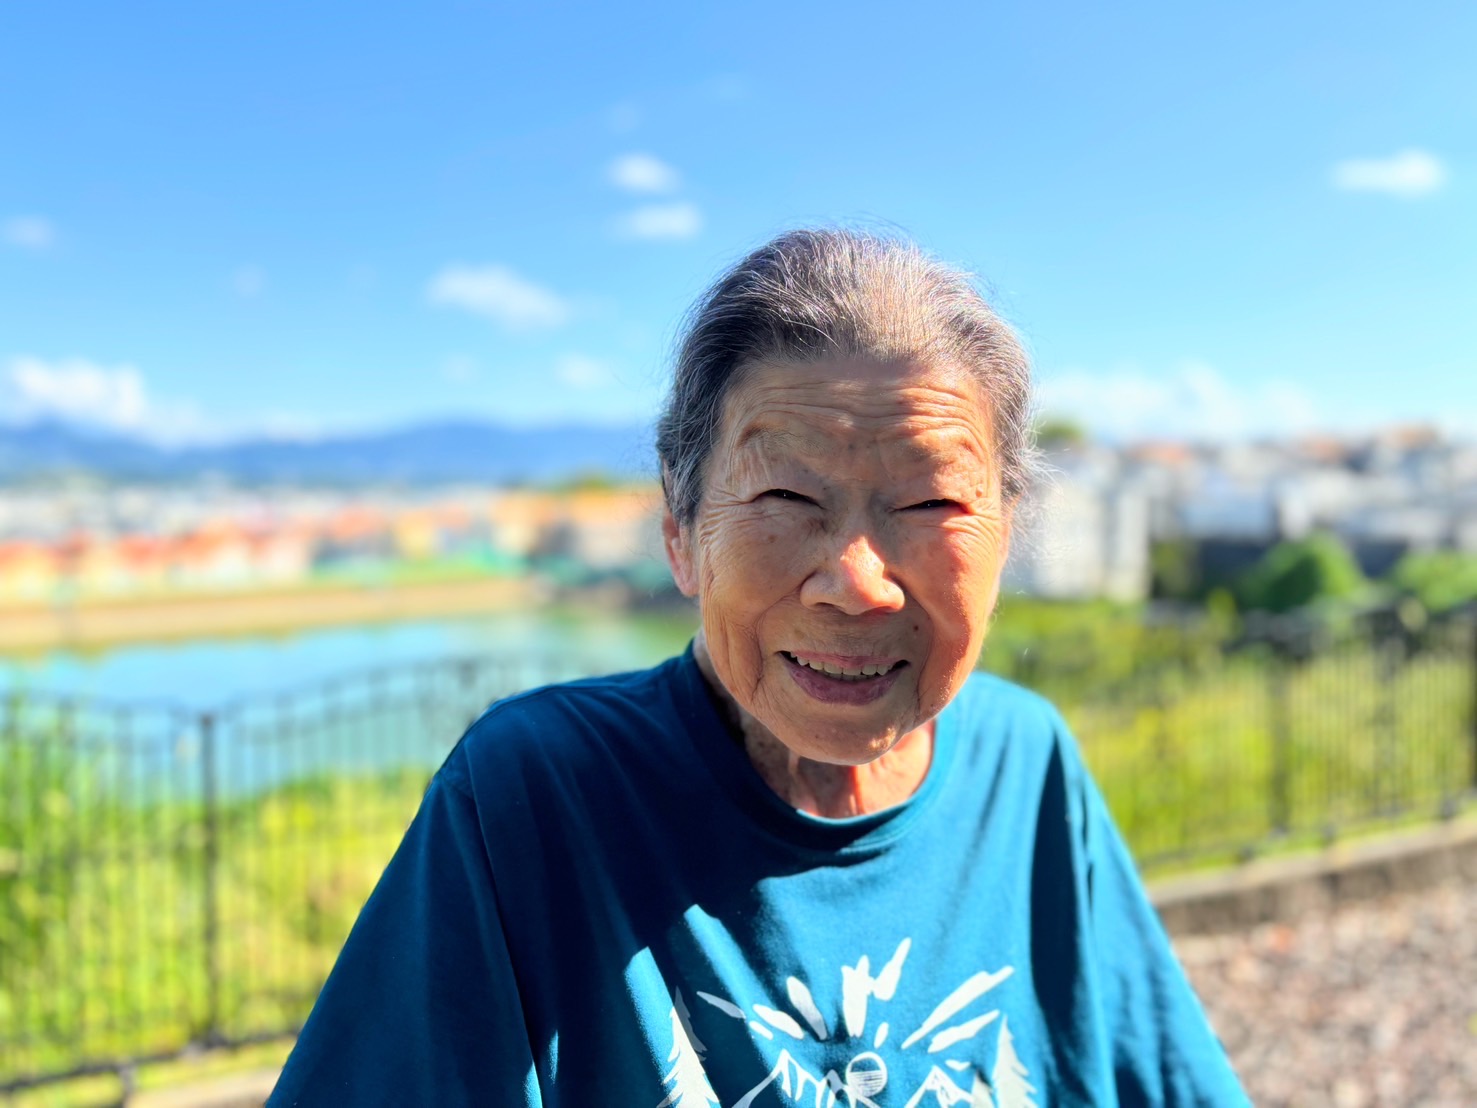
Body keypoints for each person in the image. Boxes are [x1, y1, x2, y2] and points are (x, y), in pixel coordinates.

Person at [268, 228, 1249, 1106]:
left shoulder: (1024, 762)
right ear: (680, 530)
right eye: (785, 498)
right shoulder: (537, 793)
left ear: (1007, 535)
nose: (855, 585)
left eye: (931, 505)